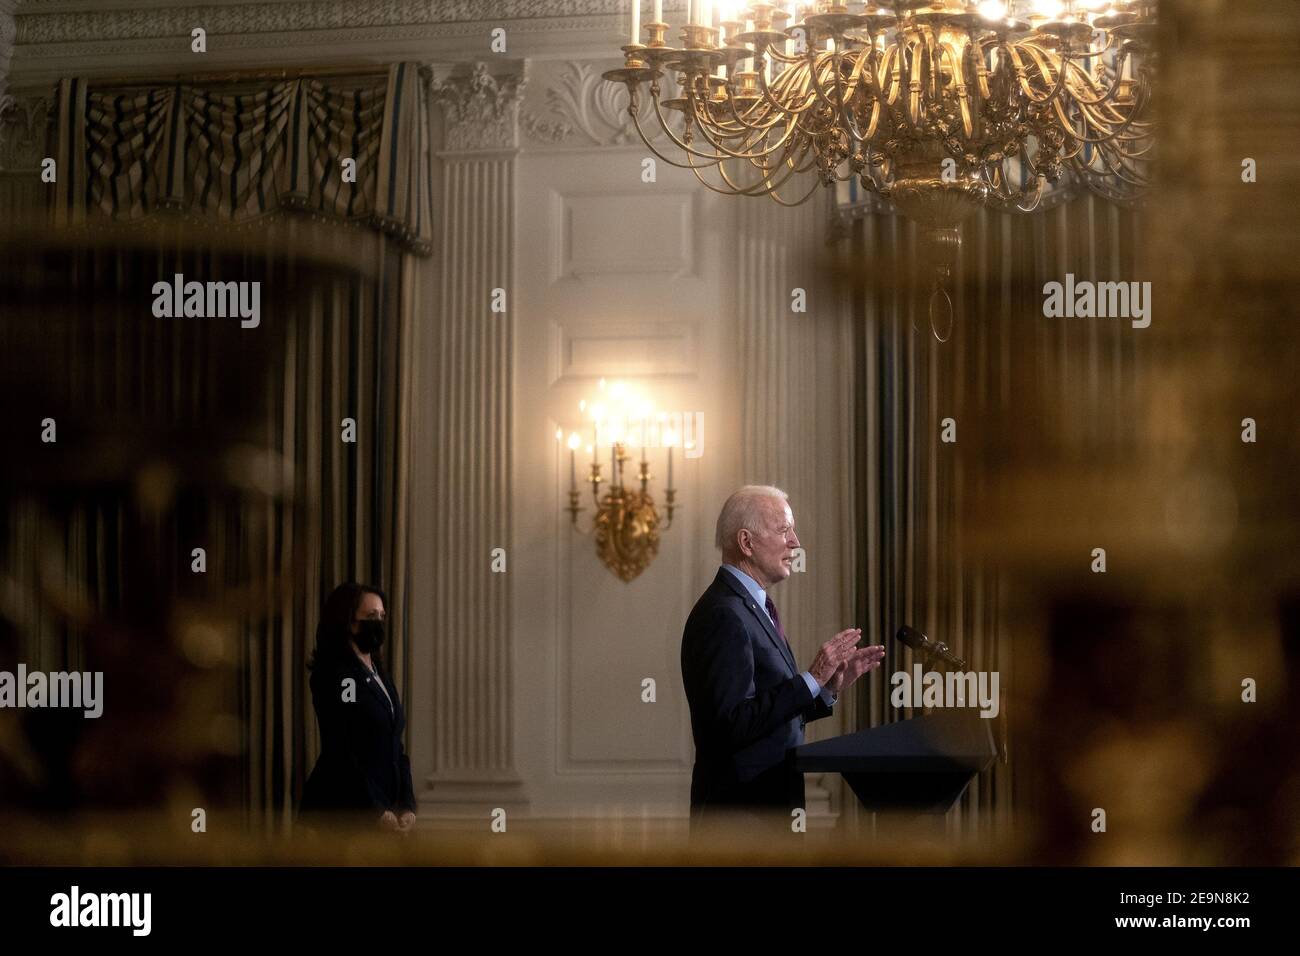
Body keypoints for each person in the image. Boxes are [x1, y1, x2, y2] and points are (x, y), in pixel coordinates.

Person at [681, 485, 884, 824]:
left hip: (770, 812)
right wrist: (810, 679)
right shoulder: (723, 614)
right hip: (740, 821)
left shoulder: (753, 608)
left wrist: (826, 688)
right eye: (784, 530)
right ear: (747, 543)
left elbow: (772, 716)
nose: (796, 542)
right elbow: (731, 724)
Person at [299, 583, 417, 833]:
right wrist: (375, 808)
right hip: (345, 812)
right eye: (371, 616)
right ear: (348, 622)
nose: (379, 623)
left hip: (386, 811)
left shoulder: (379, 674)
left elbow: (396, 746)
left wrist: (407, 805)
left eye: (382, 616)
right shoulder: (340, 676)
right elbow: (343, 748)